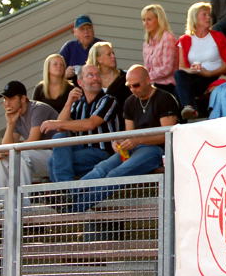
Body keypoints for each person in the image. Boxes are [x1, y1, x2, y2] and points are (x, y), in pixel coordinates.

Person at [72, 65, 179, 211]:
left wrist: (138, 140)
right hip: (136, 148)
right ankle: (68, 196)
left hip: (157, 151)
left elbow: (167, 134)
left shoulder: (164, 98)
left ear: (148, 80)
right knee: (102, 168)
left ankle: (75, 207)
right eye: (129, 86)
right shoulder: (130, 101)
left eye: (136, 85)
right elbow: (129, 134)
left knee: (115, 174)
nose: (133, 89)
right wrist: (119, 142)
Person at [0, 81, 57, 211]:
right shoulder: (16, 115)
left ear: (23, 98)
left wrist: (5, 151)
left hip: (58, 157)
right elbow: (6, 147)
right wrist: (10, 123)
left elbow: (32, 142)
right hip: (38, 157)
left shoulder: (38, 109)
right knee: (0, 160)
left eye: (11, 98)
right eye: (5, 99)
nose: (7, 103)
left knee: (21, 155)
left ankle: (22, 206)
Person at [41, 64, 118, 182]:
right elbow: (60, 127)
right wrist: (68, 102)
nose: (96, 78)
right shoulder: (78, 103)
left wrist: (57, 124)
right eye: (90, 75)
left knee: (56, 162)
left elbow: (90, 124)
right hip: (81, 149)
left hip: (102, 151)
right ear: (80, 82)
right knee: (59, 138)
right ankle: (66, 189)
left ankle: (65, 189)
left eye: (98, 75)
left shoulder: (108, 100)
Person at [174, 1, 226, 120]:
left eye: (209, 15)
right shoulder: (184, 40)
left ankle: (189, 110)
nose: (208, 17)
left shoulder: (218, 36)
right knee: (178, 74)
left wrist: (209, 73)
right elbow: (182, 67)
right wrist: (192, 70)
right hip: (196, 76)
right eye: (204, 14)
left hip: (214, 75)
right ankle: (190, 108)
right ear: (194, 18)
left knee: (178, 90)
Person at [87, 41, 131, 126]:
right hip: (97, 129)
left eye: (113, 53)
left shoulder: (125, 78)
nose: (113, 56)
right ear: (98, 59)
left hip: (122, 127)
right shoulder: (90, 82)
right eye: (109, 54)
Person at [141, 4, 178, 96]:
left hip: (167, 85)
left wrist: (146, 77)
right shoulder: (147, 42)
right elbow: (147, 68)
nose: (145, 23)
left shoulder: (167, 38)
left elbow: (167, 68)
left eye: (149, 19)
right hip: (151, 83)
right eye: (144, 20)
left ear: (159, 20)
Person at [59, 15, 101, 80]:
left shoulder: (100, 46)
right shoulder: (69, 47)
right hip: (73, 85)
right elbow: (55, 73)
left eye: (89, 28)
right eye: (82, 29)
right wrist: (64, 75)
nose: (86, 31)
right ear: (75, 32)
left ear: (93, 30)